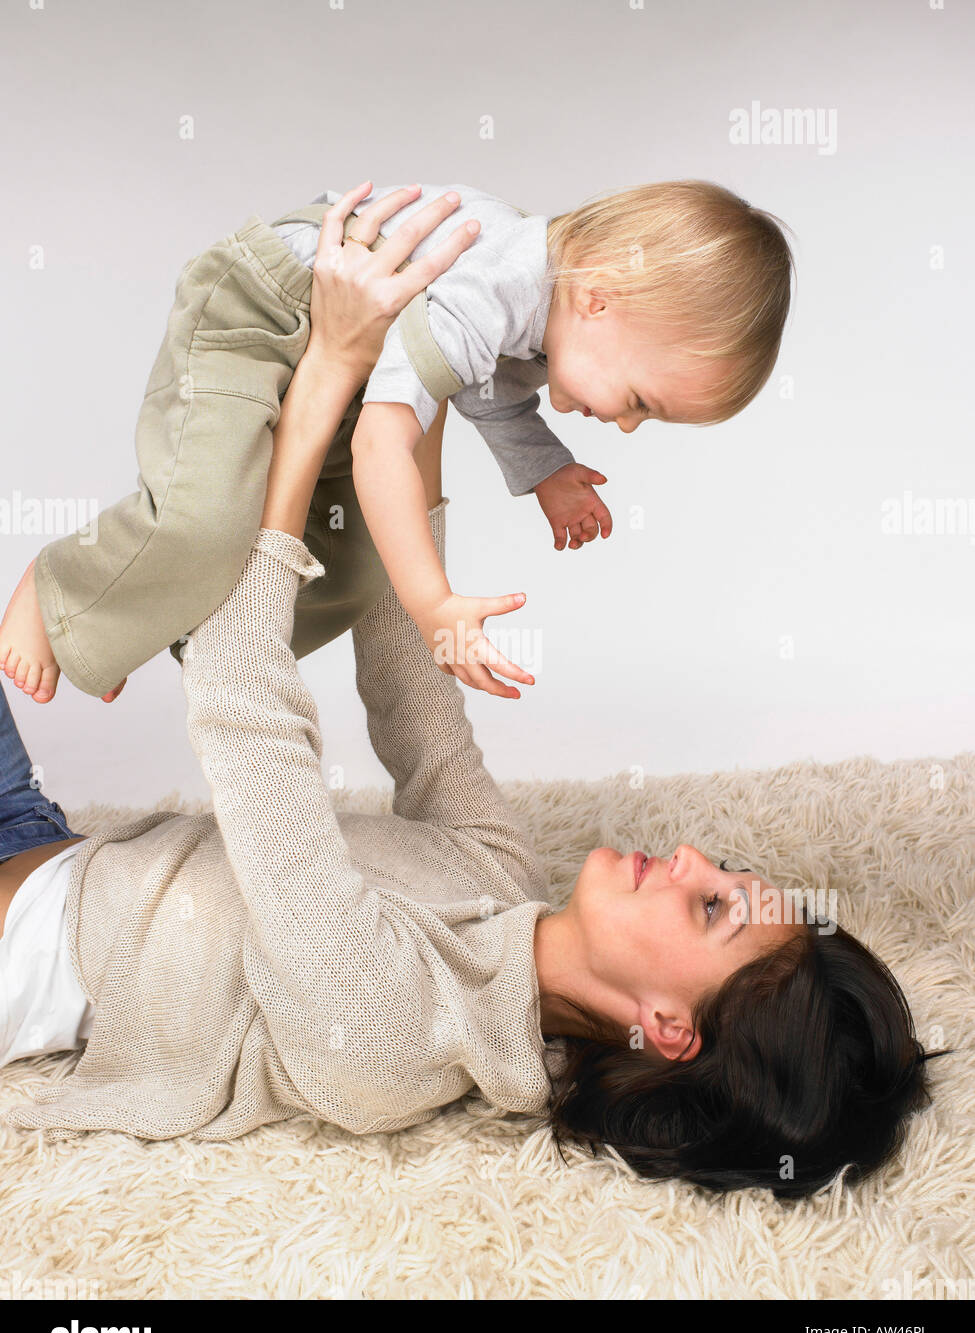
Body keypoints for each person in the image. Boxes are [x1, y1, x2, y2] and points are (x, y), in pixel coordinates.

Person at [0, 193, 945, 1202]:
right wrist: (424, 369)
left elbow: (245, 709)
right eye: (725, 871)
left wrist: (328, 370)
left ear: (670, 1029)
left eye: (712, 904)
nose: (691, 858)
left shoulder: (388, 1035)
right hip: (41, 839)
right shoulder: (501, 875)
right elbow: (412, 680)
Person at [0, 177, 794, 704]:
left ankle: (131, 616)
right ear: (599, 301)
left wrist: (546, 473)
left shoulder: (541, 307)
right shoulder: (494, 288)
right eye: (640, 402)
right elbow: (384, 445)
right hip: (261, 310)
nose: (623, 425)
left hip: (343, 353)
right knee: (207, 518)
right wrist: (435, 605)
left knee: (348, 569)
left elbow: (493, 395)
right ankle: (63, 585)